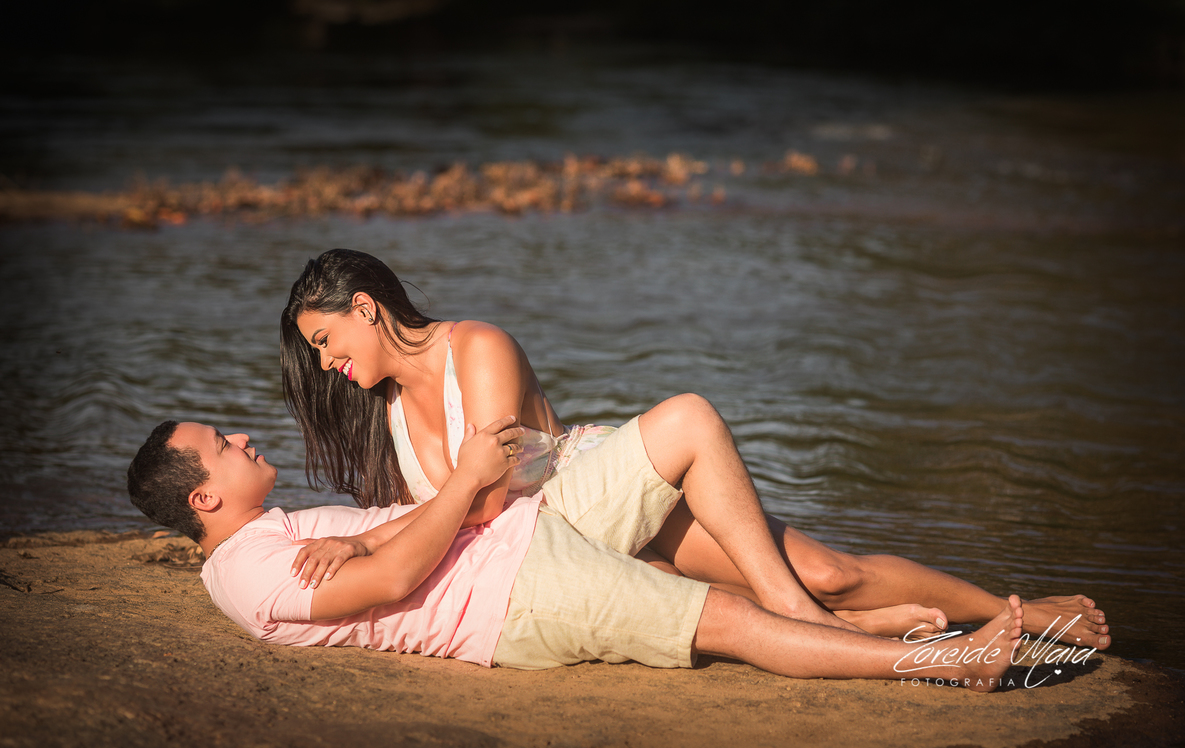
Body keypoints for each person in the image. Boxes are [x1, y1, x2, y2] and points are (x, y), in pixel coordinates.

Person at [280, 249, 1110, 648]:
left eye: (325, 340)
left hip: (599, 492)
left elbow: (488, 493)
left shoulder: (478, 347)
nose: (326, 364)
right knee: (749, 594)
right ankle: (867, 627)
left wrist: (376, 539)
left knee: (825, 572)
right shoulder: (389, 409)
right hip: (554, 549)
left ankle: (1019, 612)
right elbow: (444, 511)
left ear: (367, 307)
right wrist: (363, 541)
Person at [126, 413, 1025, 690]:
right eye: (223, 445)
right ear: (203, 497)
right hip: (516, 594)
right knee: (727, 621)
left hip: (517, 530)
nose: (243, 439)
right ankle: (949, 661)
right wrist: (463, 482)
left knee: (687, 421)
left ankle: (820, 615)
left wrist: (392, 519)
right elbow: (396, 578)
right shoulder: (247, 573)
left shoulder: (272, 532)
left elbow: (391, 535)